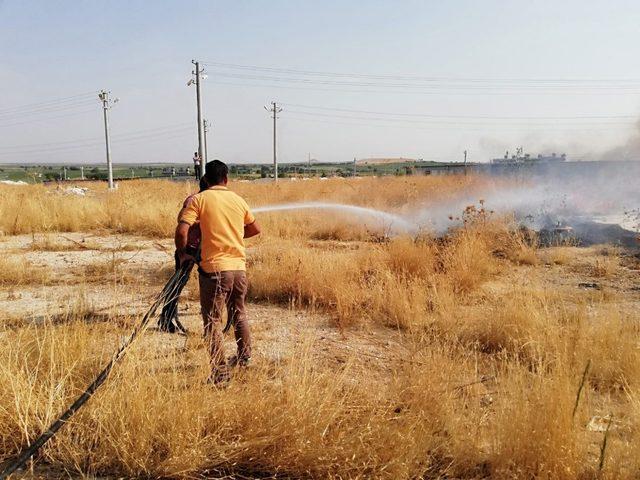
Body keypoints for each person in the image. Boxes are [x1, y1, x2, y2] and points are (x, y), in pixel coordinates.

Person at [175, 160, 261, 385]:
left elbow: (182, 229)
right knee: (239, 313)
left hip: (214, 270)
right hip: (239, 269)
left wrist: (183, 253)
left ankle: (220, 374)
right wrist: (233, 234)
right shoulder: (238, 200)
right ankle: (245, 358)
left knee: (212, 321)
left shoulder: (198, 200)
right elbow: (255, 228)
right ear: (226, 179)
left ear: (206, 179)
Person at [158, 176, 209, 333]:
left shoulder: (211, 200)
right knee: (177, 284)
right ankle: (166, 319)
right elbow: (181, 219)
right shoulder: (194, 200)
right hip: (189, 249)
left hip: (205, 249)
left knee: (212, 284)